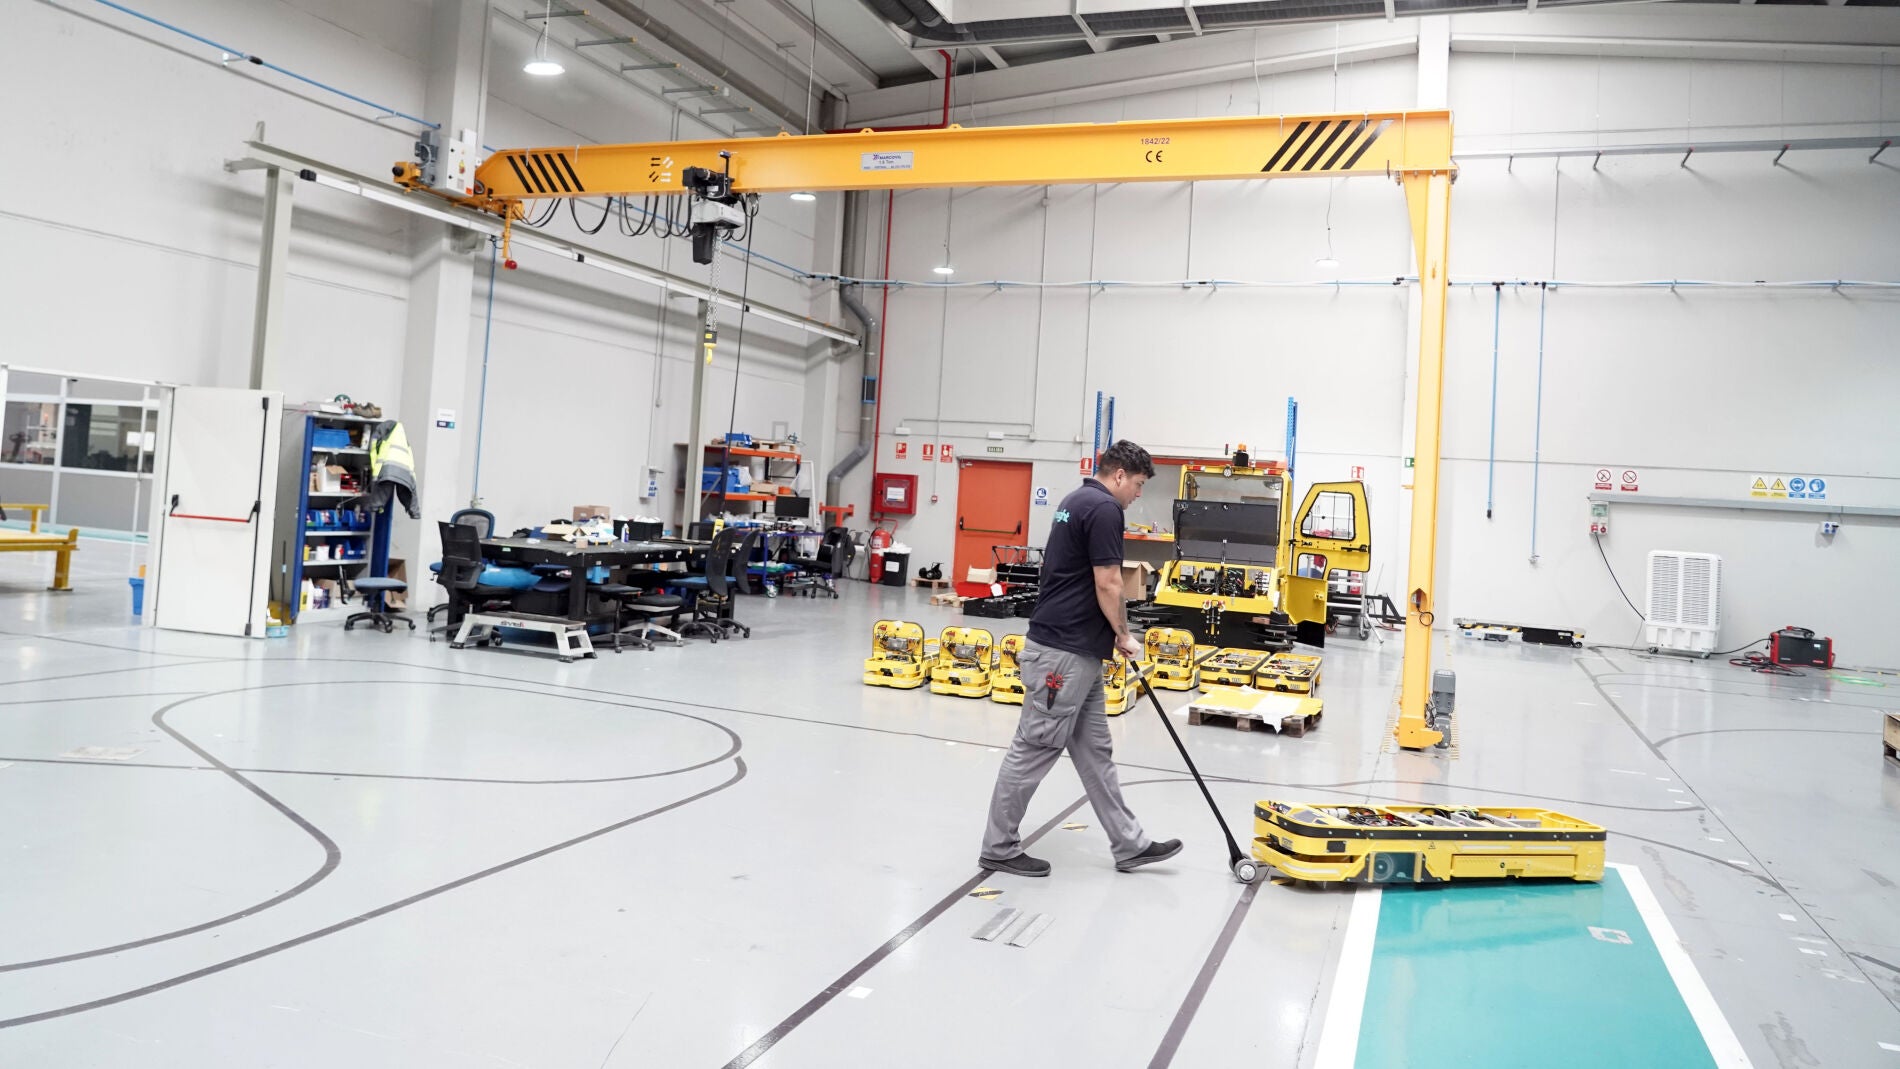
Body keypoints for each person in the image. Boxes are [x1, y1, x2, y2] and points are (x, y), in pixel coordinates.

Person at [978, 440, 1182, 877]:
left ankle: (1130, 844)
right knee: (1034, 748)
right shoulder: (1105, 509)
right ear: (1120, 475)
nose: (1139, 494)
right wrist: (1124, 634)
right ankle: (998, 846)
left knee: (1095, 752)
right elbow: (1108, 582)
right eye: (1139, 484)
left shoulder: (1076, 500)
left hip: (1077, 653)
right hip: (1063, 655)